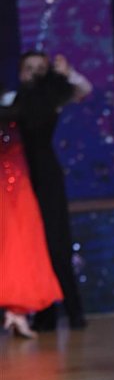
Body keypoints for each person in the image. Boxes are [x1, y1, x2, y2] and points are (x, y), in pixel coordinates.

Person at [10, 51, 92, 331]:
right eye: (29, 67)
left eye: (40, 67)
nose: (34, 72)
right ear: (20, 71)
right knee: (32, 244)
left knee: (57, 244)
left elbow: (83, 89)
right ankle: (43, 314)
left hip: (45, 176)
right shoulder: (12, 100)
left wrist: (67, 73)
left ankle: (73, 310)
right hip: (18, 180)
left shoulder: (52, 98)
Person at [0, 112, 63, 337]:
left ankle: (17, 311)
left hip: (17, 180)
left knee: (21, 241)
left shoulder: (23, 106)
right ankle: (16, 312)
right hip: (12, 181)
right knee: (14, 239)